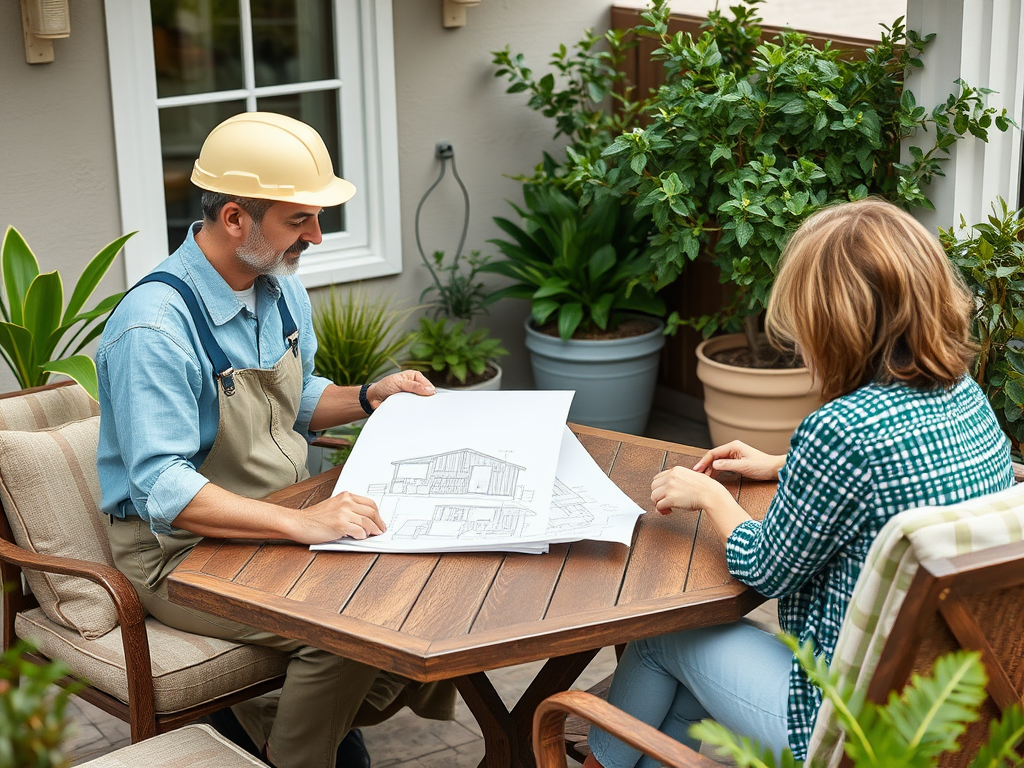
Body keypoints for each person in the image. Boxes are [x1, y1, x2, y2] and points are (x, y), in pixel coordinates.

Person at [584, 198, 1015, 768]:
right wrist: (786, 464)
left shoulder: (840, 432)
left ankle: (595, 757)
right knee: (673, 712)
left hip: (842, 727)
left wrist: (710, 495)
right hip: (948, 709)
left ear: (829, 322)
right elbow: (904, 475)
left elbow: (767, 567)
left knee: (663, 636)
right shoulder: (966, 397)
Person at [97, 112, 455, 768]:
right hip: (179, 554)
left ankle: (282, 727)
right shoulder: (154, 330)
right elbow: (164, 488)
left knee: (428, 585)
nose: (317, 236)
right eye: (300, 221)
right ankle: (291, 751)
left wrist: (374, 396)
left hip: (278, 522)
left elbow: (297, 400)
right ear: (235, 218)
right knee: (345, 628)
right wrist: (303, 524)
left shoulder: (281, 291)